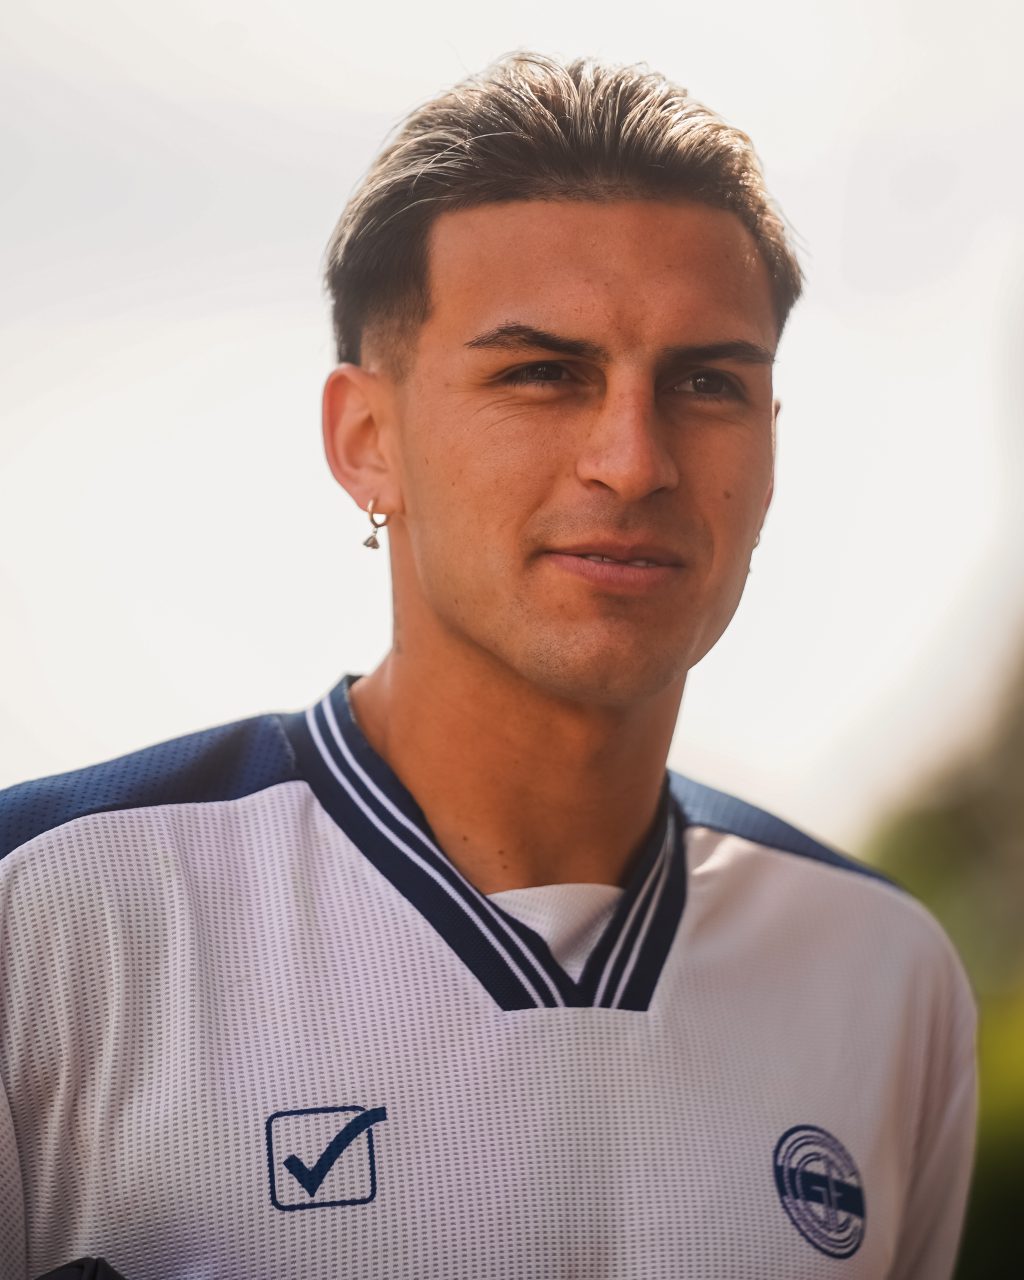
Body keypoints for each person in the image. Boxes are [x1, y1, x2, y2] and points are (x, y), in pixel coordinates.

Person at [0, 52, 976, 1280]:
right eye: (541, 374)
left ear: (770, 447)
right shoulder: (49, 913)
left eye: (705, 383)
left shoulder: (885, 973)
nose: (633, 459)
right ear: (367, 439)